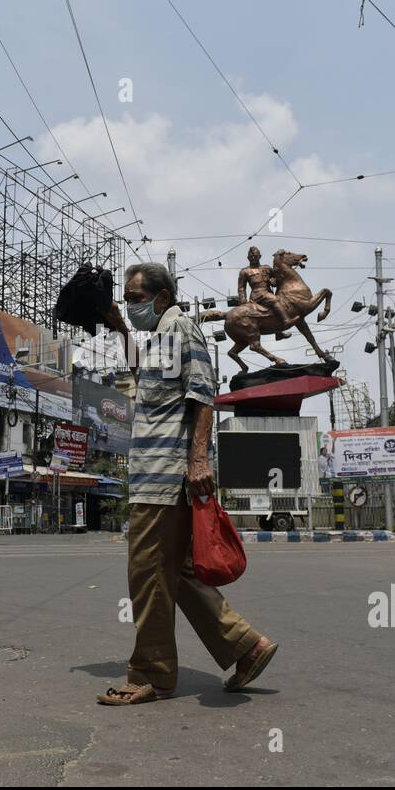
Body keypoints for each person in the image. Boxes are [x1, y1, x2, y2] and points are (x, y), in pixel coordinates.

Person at [95, 262, 277, 705]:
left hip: (164, 479)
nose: (131, 305)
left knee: (147, 576)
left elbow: (202, 395)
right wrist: (121, 327)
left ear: (161, 297)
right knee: (174, 573)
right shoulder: (159, 337)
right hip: (153, 477)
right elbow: (145, 382)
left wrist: (198, 461)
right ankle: (245, 646)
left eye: (135, 298)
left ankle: (151, 675)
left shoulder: (182, 329)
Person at [237, 246, 292, 340]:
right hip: (257, 294)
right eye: (251, 256)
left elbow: (277, 277)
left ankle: (278, 333)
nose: (253, 258)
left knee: (277, 308)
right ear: (248, 258)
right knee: (274, 300)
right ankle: (286, 321)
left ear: (260, 256)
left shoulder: (267, 268)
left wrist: (274, 281)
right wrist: (243, 300)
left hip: (268, 292)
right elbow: (241, 288)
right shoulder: (245, 271)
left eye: (255, 256)